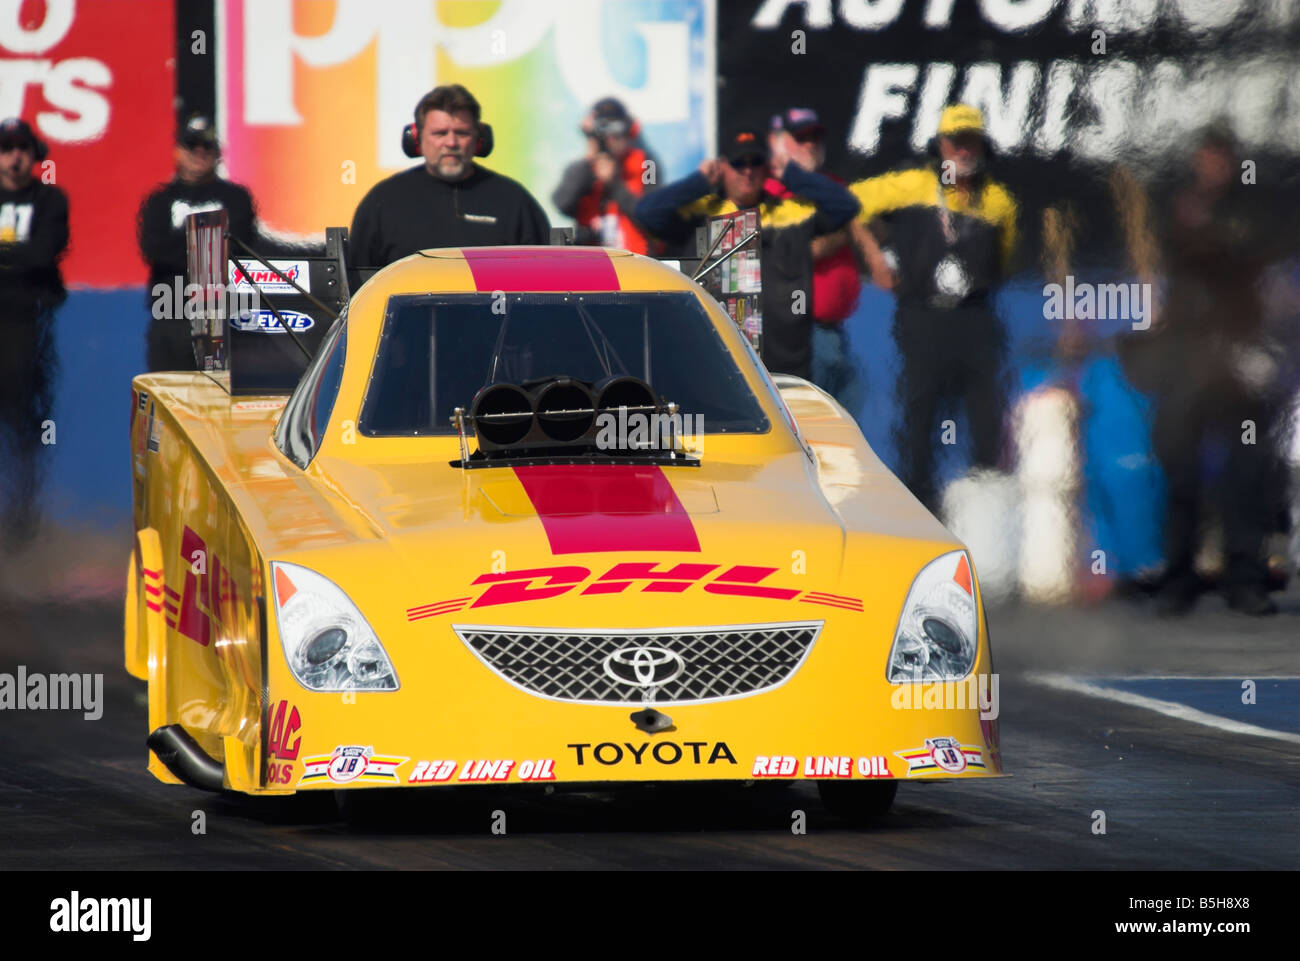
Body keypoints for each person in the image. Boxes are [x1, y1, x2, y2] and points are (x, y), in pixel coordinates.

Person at [849, 104, 1018, 511]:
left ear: (982, 145)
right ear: (940, 146)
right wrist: (876, 256)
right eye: (955, 142)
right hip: (922, 316)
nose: (963, 151)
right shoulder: (911, 185)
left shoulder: (999, 202)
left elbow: (1005, 261)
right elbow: (850, 204)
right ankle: (919, 508)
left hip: (975, 318)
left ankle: (986, 516)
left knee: (986, 418)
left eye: (970, 142)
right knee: (920, 414)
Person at [1148, 122, 1286, 616]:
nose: (1214, 168)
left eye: (1222, 159)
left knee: (1244, 472)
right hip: (1187, 360)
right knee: (1181, 471)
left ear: (1232, 164)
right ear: (1197, 162)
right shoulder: (1177, 209)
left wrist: (1207, 231)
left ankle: (1244, 578)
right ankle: (1178, 577)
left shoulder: (1248, 212)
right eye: (1206, 158)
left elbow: (1241, 259)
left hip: (1236, 361)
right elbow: (1170, 265)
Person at [634, 127, 860, 379]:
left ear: (767, 168)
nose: (748, 171)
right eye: (738, 163)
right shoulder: (702, 215)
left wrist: (791, 174)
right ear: (722, 168)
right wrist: (700, 181)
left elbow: (846, 206)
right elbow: (646, 214)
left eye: (756, 162)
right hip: (720, 369)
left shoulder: (791, 213)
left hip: (787, 372)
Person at [350, 84, 550, 268]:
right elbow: (357, 284)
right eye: (440, 133)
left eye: (462, 133)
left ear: (479, 139)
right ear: (417, 138)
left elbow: (544, 276)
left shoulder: (513, 200)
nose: (451, 142)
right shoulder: (383, 201)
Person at [767, 107, 881, 414]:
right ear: (777, 142)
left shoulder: (829, 187)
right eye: (801, 138)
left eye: (815, 138)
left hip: (837, 329)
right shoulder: (772, 192)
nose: (810, 145)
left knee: (845, 427)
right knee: (812, 426)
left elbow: (862, 218)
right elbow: (795, 253)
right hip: (798, 333)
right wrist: (843, 235)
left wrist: (859, 239)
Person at [137, 114, 259, 372]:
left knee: (215, 399)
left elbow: (238, 247)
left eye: (207, 146)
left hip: (220, 317)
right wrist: (209, 243)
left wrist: (183, 244)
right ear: (179, 151)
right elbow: (154, 249)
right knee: (170, 399)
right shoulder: (159, 201)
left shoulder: (236, 198)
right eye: (192, 145)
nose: (200, 152)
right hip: (170, 314)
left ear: (217, 152)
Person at [0, 117, 68, 547]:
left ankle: (22, 524)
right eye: (6, 147)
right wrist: (19, 257)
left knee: (27, 431)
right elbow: (31, 254)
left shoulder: (50, 198)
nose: (15, 156)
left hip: (28, 332)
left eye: (22, 147)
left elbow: (45, 253)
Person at [552, 97, 659, 254]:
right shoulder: (583, 169)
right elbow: (562, 203)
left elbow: (652, 215)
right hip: (590, 263)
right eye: (604, 130)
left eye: (616, 131)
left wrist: (614, 184)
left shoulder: (646, 163)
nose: (611, 139)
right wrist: (590, 160)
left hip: (637, 262)